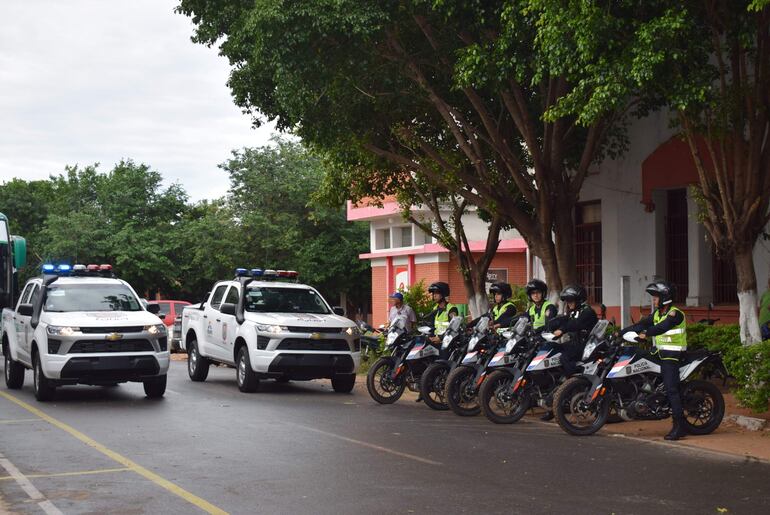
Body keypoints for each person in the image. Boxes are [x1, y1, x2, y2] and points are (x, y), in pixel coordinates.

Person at [620, 280, 688, 441]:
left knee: (672, 389)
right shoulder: (657, 314)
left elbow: (662, 327)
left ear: (665, 298)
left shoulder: (675, 314)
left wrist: (647, 333)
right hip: (659, 353)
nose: (654, 300)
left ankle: (680, 426)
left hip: (672, 355)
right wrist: (620, 333)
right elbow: (641, 324)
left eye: (656, 297)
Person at [541, 284, 598, 421]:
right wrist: (550, 325)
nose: (568, 303)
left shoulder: (588, 312)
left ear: (579, 300)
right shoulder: (573, 312)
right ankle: (556, 388)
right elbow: (564, 320)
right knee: (550, 349)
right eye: (567, 301)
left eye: (571, 300)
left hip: (587, 346)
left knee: (565, 358)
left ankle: (574, 383)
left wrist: (562, 330)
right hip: (575, 343)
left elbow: (575, 324)